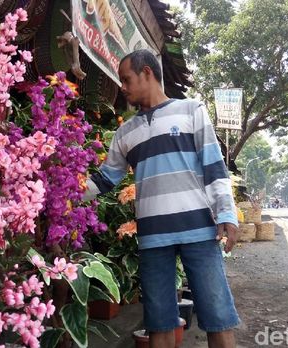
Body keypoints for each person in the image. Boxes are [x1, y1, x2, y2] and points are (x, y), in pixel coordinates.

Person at [83, 49, 240, 348]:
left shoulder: (192, 110)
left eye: (126, 79)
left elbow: (214, 166)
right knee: (159, 323)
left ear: (147, 72)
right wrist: (65, 193)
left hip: (199, 232)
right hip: (154, 239)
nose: (123, 88)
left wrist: (227, 214)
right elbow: (105, 179)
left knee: (218, 318)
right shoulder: (125, 132)